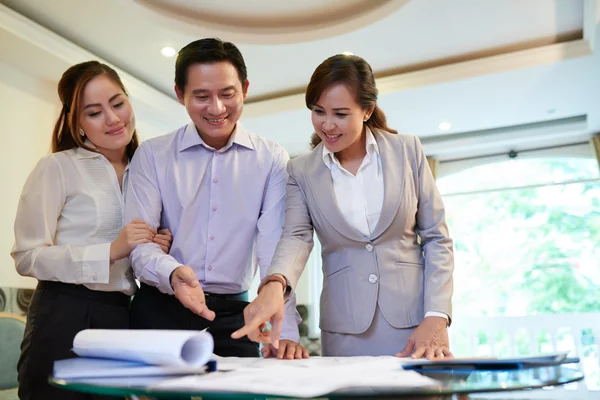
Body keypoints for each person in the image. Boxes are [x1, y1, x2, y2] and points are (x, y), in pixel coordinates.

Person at [233, 54, 454, 359]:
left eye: (340, 113)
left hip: (416, 323)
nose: (327, 124)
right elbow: (296, 237)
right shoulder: (301, 171)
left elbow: (437, 238)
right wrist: (275, 282)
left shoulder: (407, 151)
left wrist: (437, 316)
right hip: (345, 330)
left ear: (367, 111)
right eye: (318, 111)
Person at [125, 38, 307, 359]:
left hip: (238, 314)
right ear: (180, 94)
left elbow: (273, 247)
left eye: (227, 94)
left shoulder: (271, 158)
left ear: (245, 89)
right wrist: (171, 273)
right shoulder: (153, 155)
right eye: (201, 96)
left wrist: (286, 330)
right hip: (160, 309)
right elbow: (140, 245)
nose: (216, 108)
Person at [11, 61, 172, 400]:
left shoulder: (148, 170)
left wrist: (158, 246)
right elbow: (27, 256)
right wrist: (111, 250)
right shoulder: (58, 167)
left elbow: (141, 253)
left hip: (122, 315)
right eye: (94, 112)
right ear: (78, 123)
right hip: (63, 314)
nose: (113, 119)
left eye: (118, 103)